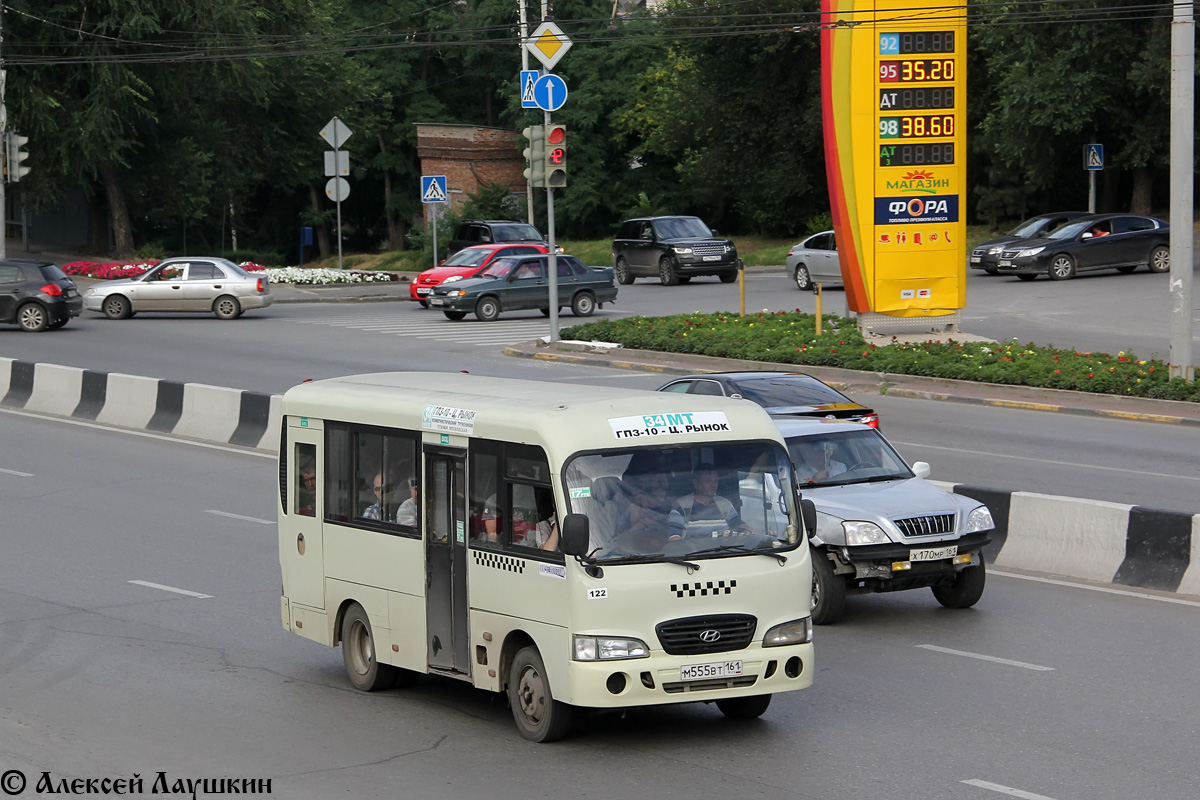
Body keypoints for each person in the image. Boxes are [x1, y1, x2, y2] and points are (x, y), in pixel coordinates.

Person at [667, 463, 751, 540]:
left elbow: (739, 524)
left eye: (715, 481)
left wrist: (748, 531)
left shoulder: (724, 504)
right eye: (708, 481)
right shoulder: (681, 506)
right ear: (696, 483)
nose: (713, 484)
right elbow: (674, 538)